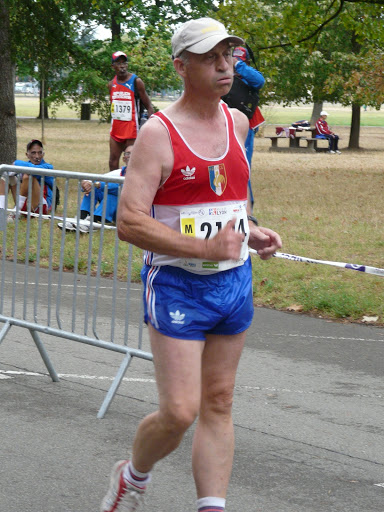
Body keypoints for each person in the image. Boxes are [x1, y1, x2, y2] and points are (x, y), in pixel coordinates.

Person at [100, 17, 282, 512]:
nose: (225, 66)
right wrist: (202, 248)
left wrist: (252, 229)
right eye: (210, 57)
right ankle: (132, 477)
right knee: (180, 411)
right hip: (177, 285)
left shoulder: (239, 124)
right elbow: (129, 223)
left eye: (228, 55)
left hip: (233, 283)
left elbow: (231, 197)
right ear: (181, 67)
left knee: (219, 401)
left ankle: (211, 506)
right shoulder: (157, 134)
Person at [222, 46, 265, 209]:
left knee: (242, 166)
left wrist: (239, 66)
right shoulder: (224, 74)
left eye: (241, 59)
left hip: (246, 126)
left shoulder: (248, 75)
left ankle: (247, 206)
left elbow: (260, 81)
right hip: (223, 124)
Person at [59, 146, 132, 233]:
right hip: (117, 210)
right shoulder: (119, 172)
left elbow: (124, 188)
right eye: (128, 154)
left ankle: (93, 222)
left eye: (134, 153)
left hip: (128, 214)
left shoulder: (142, 174)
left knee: (112, 193)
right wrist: (87, 184)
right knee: (94, 188)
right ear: (124, 159)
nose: (131, 156)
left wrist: (98, 184)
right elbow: (100, 179)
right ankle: (82, 217)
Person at [108, 51, 154, 171]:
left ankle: (132, 188)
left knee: (132, 163)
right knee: (112, 162)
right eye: (118, 63)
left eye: (124, 63)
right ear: (113, 66)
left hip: (132, 131)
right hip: (116, 130)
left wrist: (151, 126)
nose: (122, 66)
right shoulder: (111, 84)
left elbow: (149, 106)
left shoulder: (136, 82)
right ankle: (115, 188)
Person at [0, 139, 55, 222]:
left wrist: (16, 163)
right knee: (7, 177)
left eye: (40, 152)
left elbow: (34, 169)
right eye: (33, 153)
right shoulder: (25, 166)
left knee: (28, 176)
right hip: (26, 202)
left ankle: (16, 212)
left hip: (41, 206)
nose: (37, 156)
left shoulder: (48, 167)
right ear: (27, 155)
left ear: (43, 154)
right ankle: (1, 211)